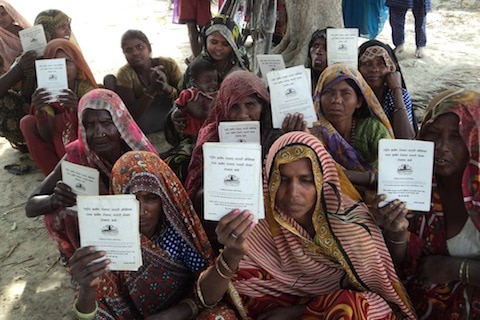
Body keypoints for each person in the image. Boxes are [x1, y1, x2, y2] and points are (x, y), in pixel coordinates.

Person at [197, 131, 416, 319]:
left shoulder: (351, 224)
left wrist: (298, 312)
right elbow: (207, 297)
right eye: (282, 179)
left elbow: (378, 284)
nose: (293, 193)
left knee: (351, 308)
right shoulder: (256, 225)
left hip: (332, 311)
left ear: (323, 181)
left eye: (306, 180)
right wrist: (234, 253)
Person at [372, 88, 480, 319]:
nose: (442, 146)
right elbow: (404, 269)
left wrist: (456, 269)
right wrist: (397, 233)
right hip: (428, 309)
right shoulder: (412, 187)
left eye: (456, 135)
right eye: (434, 133)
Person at [69, 150, 217, 319]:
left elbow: (205, 289)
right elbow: (91, 312)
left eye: (150, 198)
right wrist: (88, 290)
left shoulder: (178, 236)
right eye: (131, 199)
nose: (140, 211)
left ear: (164, 199)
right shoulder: (106, 243)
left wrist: (175, 313)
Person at [24, 89, 157, 262]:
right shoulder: (78, 154)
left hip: (142, 227)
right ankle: (80, 260)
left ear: (120, 122)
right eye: (89, 125)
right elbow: (31, 205)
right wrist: (55, 200)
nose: (98, 132)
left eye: (106, 122)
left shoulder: (140, 155)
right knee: (59, 213)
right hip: (103, 234)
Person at [185, 70, 305, 251]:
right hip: (228, 223)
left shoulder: (274, 133)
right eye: (234, 107)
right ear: (224, 106)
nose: (243, 115)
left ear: (263, 105)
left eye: (250, 104)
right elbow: (196, 188)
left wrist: (295, 138)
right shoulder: (212, 136)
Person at [0, 9, 76, 151]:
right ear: (47, 32)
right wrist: (20, 69)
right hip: (41, 112)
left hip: (70, 106)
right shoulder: (28, 58)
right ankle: (27, 142)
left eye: (68, 25)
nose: (68, 30)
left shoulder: (69, 50)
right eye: (62, 27)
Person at [20, 38, 98, 176]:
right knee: (28, 122)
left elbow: (97, 124)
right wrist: (41, 114)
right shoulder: (46, 93)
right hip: (56, 143)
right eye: (57, 64)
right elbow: (47, 135)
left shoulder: (85, 88)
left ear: (77, 64)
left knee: (63, 119)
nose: (63, 69)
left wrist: (77, 108)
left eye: (68, 62)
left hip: (85, 144)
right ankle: (54, 175)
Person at [310, 63, 394, 192]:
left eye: (345, 93)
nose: (336, 100)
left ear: (359, 101)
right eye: (329, 92)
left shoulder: (372, 129)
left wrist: (342, 175)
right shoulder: (311, 132)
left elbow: (393, 174)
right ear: (319, 97)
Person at [114, 29, 182, 141]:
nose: (135, 53)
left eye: (139, 47)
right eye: (129, 50)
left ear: (149, 49)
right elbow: (130, 115)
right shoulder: (125, 74)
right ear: (124, 54)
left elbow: (185, 95)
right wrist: (152, 90)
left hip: (170, 113)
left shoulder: (168, 65)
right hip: (145, 121)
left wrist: (166, 88)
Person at [162, 58, 218, 183]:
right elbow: (178, 104)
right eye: (208, 81)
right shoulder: (190, 94)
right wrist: (175, 114)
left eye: (215, 80)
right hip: (192, 132)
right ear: (195, 82)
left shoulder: (217, 93)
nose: (213, 84)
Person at [358, 39, 417, 139]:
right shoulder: (354, 94)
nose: (374, 69)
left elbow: (406, 138)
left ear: (391, 68)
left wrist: (397, 90)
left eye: (381, 63)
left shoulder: (395, 95)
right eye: (367, 63)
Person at [182, 14, 249, 90]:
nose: (219, 48)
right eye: (214, 42)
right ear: (205, 40)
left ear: (234, 46)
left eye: (225, 44)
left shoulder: (240, 71)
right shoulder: (196, 69)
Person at [0, 0, 30, 72]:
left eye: (3, 14)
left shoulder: (25, 31)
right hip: (9, 78)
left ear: (11, 14)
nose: (1, 19)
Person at [305, 28, 328, 94]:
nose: (318, 51)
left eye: (325, 48)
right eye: (316, 46)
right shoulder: (301, 79)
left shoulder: (341, 83)